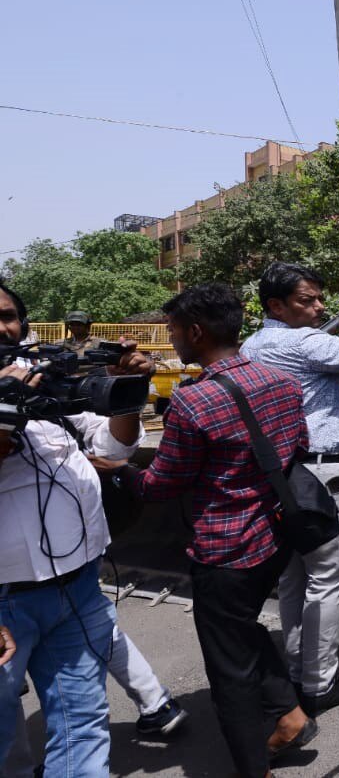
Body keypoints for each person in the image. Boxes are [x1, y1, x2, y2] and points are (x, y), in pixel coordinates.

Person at [134, 283, 316, 775]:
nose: (172, 339)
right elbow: (297, 446)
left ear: (196, 331)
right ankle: (292, 716)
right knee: (241, 628)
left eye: (174, 330)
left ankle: (254, 767)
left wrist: (120, 472)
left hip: (224, 552)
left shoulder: (192, 402)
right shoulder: (283, 382)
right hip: (276, 536)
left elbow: (161, 484)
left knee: (229, 671)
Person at [239, 262, 339, 714]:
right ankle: (320, 681)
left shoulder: (254, 345)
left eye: (318, 297)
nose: (318, 306)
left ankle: (300, 668)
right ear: (276, 306)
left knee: (295, 576)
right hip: (322, 471)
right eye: (306, 300)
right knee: (328, 577)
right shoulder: (303, 343)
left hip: (284, 473)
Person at [0, 282, 152, 775]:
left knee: (82, 724)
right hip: (6, 602)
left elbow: (113, 445)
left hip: (80, 585)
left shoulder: (43, 379)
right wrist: (7, 408)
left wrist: (126, 394)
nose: (2, 328)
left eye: (7, 316)